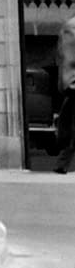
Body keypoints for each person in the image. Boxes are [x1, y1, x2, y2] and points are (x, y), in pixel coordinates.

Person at [55, 13, 75, 174]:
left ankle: (62, 162)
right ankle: (62, 162)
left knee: (69, 124)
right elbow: (68, 59)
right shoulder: (71, 28)